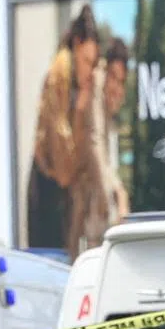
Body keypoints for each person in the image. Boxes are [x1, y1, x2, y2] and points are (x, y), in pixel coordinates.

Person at [26, 5, 99, 251]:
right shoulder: (58, 78)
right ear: (77, 44)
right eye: (87, 61)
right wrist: (80, 112)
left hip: (60, 196)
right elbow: (65, 168)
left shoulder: (75, 84)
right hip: (47, 193)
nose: (89, 71)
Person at [67, 36, 130, 258]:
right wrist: (113, 193)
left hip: (95, 182)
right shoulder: (97, 83)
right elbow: (94, 142)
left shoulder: (108, 92)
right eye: (114, 77)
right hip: (86, 182)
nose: (116, 86)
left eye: (120, 80)